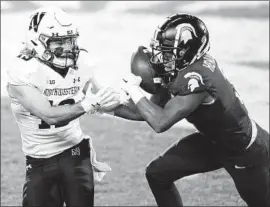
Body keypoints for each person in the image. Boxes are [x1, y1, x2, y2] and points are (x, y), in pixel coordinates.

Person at [113, 14, 270, 207]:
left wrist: (134, 91)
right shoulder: (183, 67)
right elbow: (147, 112)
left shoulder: (196, 78)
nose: (161, 57)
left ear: (187, 51)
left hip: (244, 150)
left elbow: (160, 122)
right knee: (157, 174)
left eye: (168, 52)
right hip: (213, 142)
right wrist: (104, 106)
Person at [6, 6, 124, 207]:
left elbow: (105, 101)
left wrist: (136, 100)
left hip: (75, 153)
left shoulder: (83, 63)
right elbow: (49, 115)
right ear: (37, 41)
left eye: (69, 40)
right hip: (39, 159)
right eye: (58, 42)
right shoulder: (23, 71)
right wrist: (89, 104)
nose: (67, 47)